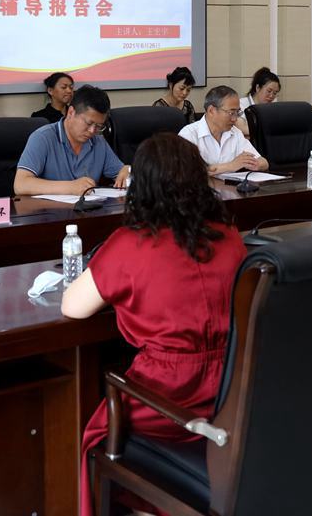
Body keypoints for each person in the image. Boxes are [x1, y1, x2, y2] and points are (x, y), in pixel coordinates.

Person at [63, 133, 246, 516]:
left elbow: (73, 308)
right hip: (231, 395)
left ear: (140, 186)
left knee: (93, 432)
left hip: (166, 399)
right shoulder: (230, 237)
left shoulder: (131, 243)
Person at [15, 85, 131, 195]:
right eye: (88, 123)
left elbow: (121, 173)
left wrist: (126, 171)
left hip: (88, 208)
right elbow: (20, 184)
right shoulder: (42, 138)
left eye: (98, 126)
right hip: (49, 209)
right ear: (71, 112)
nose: (92, 131)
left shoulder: (98, 142)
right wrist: (70, 187)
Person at [179, 85, 268, 175]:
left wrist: (255, 164)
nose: (235, 119)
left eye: (237, 112)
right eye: (231, 113)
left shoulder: (235, 133)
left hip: (231, 183)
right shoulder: (189, 134)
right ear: (211, 111)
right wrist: (231, 166)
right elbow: (186, 172)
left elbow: (264, 163)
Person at [236, 67, 281, 133]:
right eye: (269, 91)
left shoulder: (271, 109)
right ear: (257, 88)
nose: (271, 96)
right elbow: (242, 128)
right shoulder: (241, 104)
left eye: (275, 93)